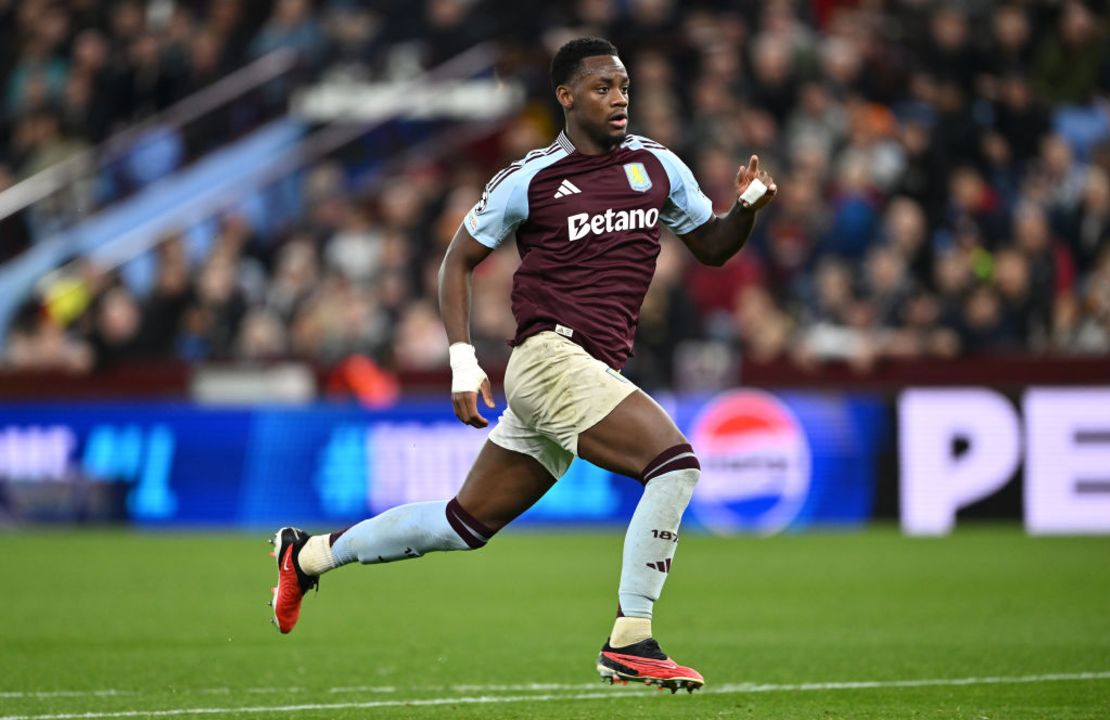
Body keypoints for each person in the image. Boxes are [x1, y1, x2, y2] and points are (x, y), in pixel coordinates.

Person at [269, 37, 777, 693]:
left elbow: (710, 246)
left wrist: (747, 209)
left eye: (623, 86)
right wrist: (461, 360)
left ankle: (307, 555)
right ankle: (632, 638)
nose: (618, 98)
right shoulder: (531, 178)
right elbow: (457, 261)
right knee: (674, 465)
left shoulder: (657, 166)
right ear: (566, 97)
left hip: (588, 370)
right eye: (602, 88)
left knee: (462, 523)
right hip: (549, 358)